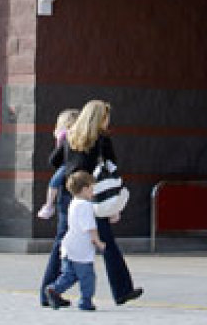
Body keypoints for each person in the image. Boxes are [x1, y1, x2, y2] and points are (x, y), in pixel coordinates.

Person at [52, 99, 143, 307]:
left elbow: (54, 161)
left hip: (72, 195)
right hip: (92, 196)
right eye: (107, 116)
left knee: (65, 241)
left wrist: (72, 167)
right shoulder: (102, 139)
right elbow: (112, 166)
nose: (109, 121)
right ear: (100, 118)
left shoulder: (71, 136)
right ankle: (122, 291)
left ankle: (50, 290)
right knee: (107, 243)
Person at [45, 171, 105, 311]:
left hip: (68, 245)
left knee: (70, 274)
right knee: (87, 277)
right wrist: (98, 242)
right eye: (91, 188)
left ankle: (54, 290)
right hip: (80, 249)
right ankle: (85, 301)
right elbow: (90, 227)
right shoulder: (85, 205)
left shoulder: (74, 202)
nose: (93, 192)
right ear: (84, 189)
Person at [39, 108, 80, 307]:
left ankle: (52, 289)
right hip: (67, 192)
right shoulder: (69, 137)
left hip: (68, 192)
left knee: (63, 243)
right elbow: (56, 161)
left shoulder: (63, 135)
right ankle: (50, 290)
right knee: (62, 242)